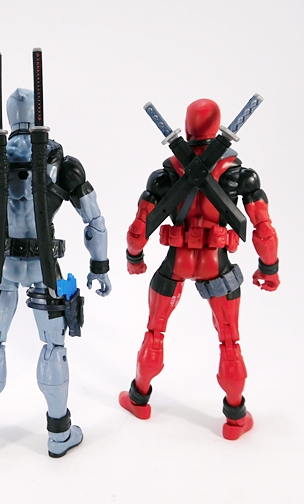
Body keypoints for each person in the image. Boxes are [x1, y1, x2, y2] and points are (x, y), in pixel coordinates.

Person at [0, 88, 111, 457]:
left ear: (9, 117)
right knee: (54, 346)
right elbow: (95, 221)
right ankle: (59, 435)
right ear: (38, 115)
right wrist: (99, 267)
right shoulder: (63, 165)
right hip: (45, 270)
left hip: (3, 270)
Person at [119, 98, 279, 440]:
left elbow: (137, 230)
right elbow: (264, 230)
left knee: (154, 332)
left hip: (175, 262)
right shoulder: (241, 175)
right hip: (216, 264)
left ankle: (139, 398)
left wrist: (135, 258)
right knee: (229, 341)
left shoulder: (164, 175)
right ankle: (235, 418)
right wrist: (269, 267)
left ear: (187, 129)